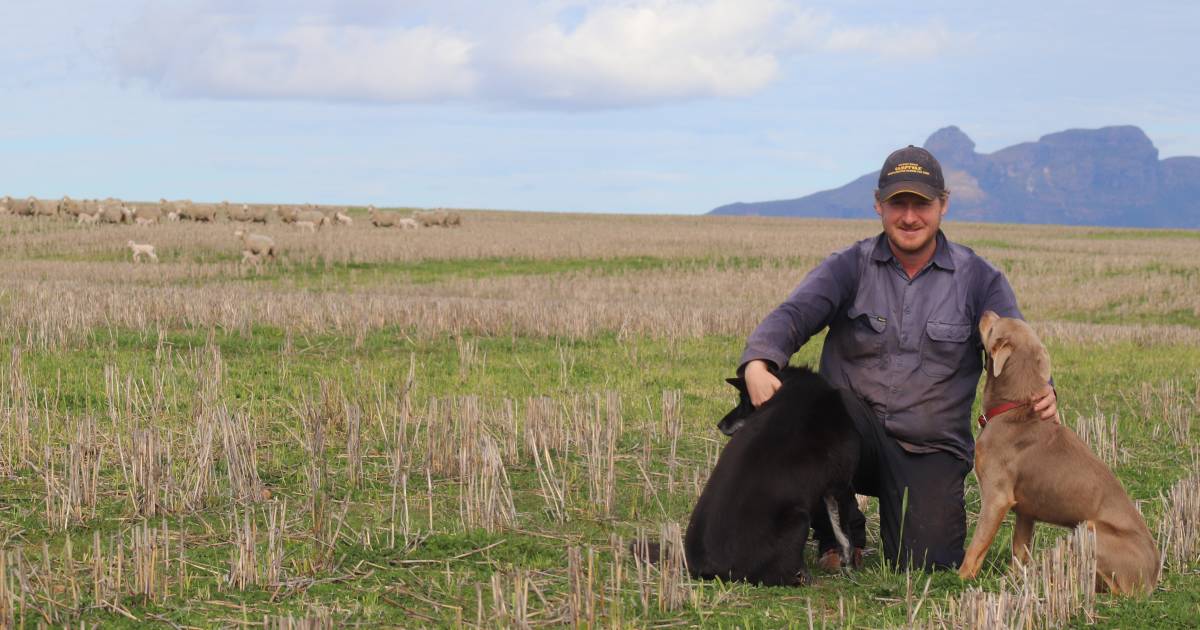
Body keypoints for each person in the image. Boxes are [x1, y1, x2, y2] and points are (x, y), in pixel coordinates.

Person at [738, 144, 1058, 571]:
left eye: (921, 204)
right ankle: (838, 524)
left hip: (930, 449)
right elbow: (794, 315)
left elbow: (1020, 345)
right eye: (898, 204)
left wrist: (1044, 392)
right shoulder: (849, 266)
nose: (909, 217)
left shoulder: (979, 278)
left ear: (943, 205)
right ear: (878, 204)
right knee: (806, 406)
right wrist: (758, 362)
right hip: (853, 434)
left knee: (928, 561)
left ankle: (891, 522)